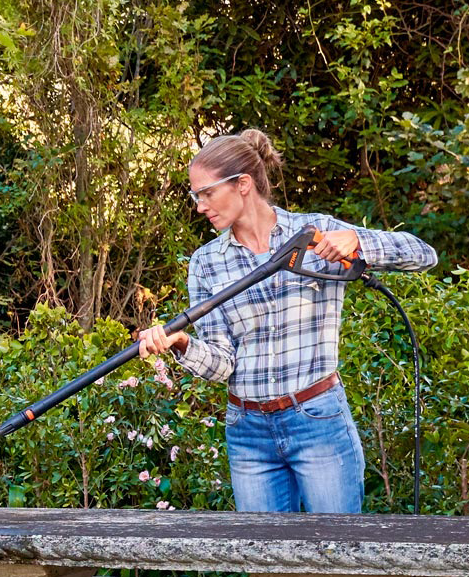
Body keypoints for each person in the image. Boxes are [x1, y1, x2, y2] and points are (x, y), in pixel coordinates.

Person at [138, 129, 437, 513]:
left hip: (317, 420)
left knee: (337, 546)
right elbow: (223, 365)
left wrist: (356, 241)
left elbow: (423, 254)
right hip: (248, 433)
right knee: (263, 550)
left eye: (206, 193)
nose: (200, 206)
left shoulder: (313, 232)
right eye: (196, 196)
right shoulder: (207, 263)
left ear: (242, 184)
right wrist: (180, 342)